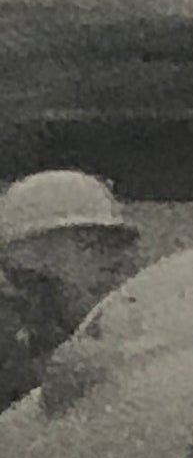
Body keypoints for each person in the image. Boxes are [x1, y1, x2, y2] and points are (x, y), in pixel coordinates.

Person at [0, 169, 142, 408]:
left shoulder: (123, 331)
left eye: (117, 245)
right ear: (32, 257)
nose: (116, 261)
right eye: (90, 245)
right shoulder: (14, 351)